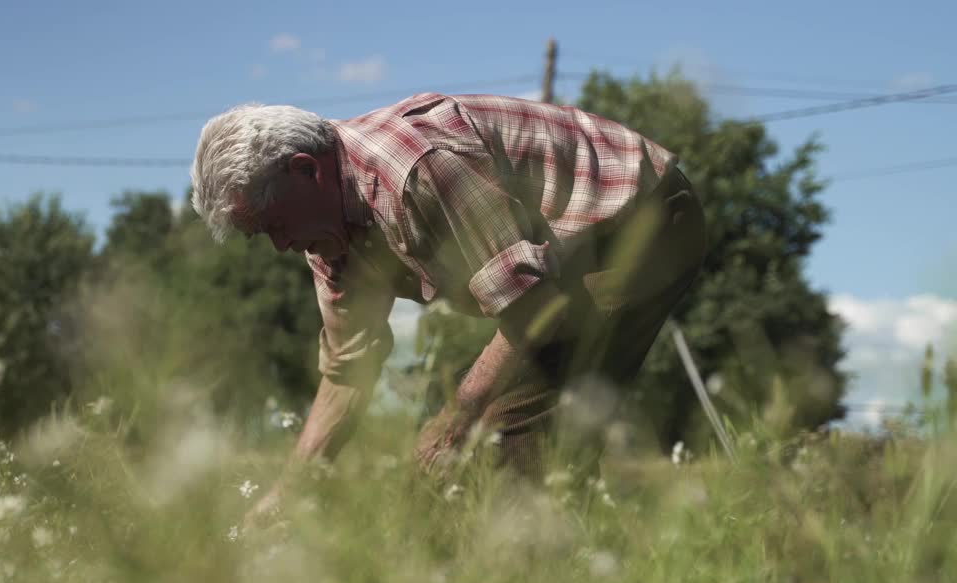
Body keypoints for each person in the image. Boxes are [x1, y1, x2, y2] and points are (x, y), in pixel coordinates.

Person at [189, 92, 707, 517]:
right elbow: (349, 368)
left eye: (274, 225)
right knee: (455, 448)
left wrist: (455, 422)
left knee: (503, 437)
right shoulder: (326, 236)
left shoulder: (415, 170)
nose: (281, 245)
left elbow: (535, 315)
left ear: (307, 171)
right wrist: (290, 492)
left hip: (638, 224)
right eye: (264, 236)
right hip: (555, 278)